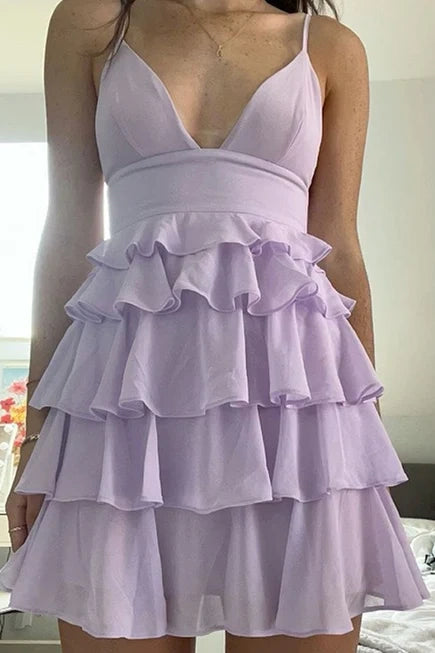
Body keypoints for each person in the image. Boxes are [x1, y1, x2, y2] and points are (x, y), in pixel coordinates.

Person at [0, 0, 429, 652]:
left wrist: (362, 442)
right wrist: (34, 436)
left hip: (291, 412)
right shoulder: (91, 24)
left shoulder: (329, 46)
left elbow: (338, 246)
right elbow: (67, 235)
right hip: (122, 411)